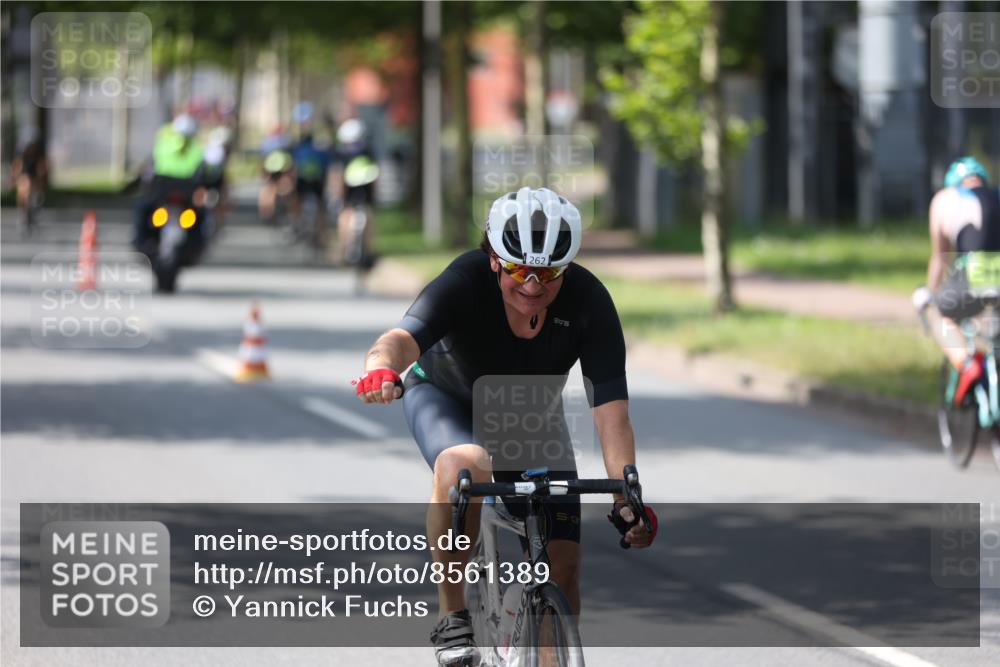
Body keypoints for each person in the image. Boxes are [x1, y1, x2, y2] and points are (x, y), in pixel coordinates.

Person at [354, 187, 657, 667]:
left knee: (564, 568)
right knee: (465, 466)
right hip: (445, 398)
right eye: (518, 269)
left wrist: (627, 495)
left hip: (526, 414)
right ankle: (453, 617)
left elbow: (611, 411)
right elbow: (400, 339)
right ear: (494, 258)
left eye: (549, 273)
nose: (533, 285)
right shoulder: (465, 281)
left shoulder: (589, 301)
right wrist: (380, 367)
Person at [915, 156, 1000, 405]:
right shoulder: (996, 194)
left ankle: (966, 363)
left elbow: (940, 260)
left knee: (939, 313)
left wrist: (931, 293)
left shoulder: (945, 198)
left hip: (974, 275)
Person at [133, 114, 205, 251]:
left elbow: (148, 171)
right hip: (177, 198)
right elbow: (204, 176)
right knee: (202, 216)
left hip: (164, 196)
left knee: (142, 209)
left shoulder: (162, 147)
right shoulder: (197, 150)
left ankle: (139, 242)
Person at [332, 118, 378, 264]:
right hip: (364, 190)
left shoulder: (342, 153)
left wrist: (337, 196)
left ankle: (344, 249)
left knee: (345, 216)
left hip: (351, 191)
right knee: (369, 217)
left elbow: (338, 176)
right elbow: (376, 174)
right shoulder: (368, 151)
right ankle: (369, 251)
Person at [10, 130, 48, 231]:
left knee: (35, 188)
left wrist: (40, 180)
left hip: (35, 175)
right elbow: (17, 168)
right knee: (24, 186)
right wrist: (15, 179)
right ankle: (25, 213)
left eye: (33, 146)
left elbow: (42, 168)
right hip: (25, 174)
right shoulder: (21, 154)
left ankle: (35, 205)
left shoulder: (39, 154)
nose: (32, 148)